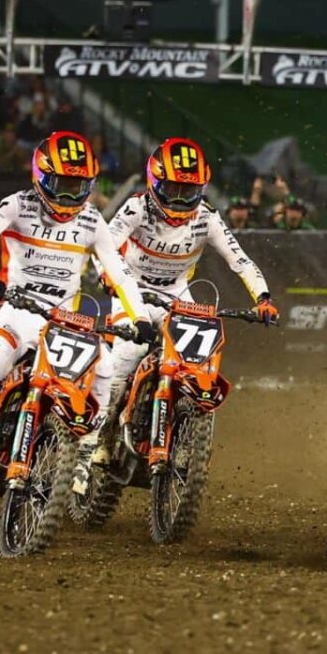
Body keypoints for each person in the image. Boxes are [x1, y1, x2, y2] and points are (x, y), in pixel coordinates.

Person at [72, 138, 280, 494]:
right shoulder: (137, 208)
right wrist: (108, 274)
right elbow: (103, 242)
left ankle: (174, 425)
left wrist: (263, 297)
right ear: (155, 183)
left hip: (176, 295)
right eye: (173, 189)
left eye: (189, 190)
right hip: (132, 292)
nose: (181, 200)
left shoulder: (207, 218)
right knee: (124, 359)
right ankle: (98, 441)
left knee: (193, 362)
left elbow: (239, 260)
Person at [0, 131, 151, 473]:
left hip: (64, 321)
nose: (69, 195)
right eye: (62, 183)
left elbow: (120, 273)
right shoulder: (18, 204)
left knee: (105, 369)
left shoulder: (92, 220)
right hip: (17, 308)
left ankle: (83, 455)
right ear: (41, 176)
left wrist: (139, 317)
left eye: (78, 185)